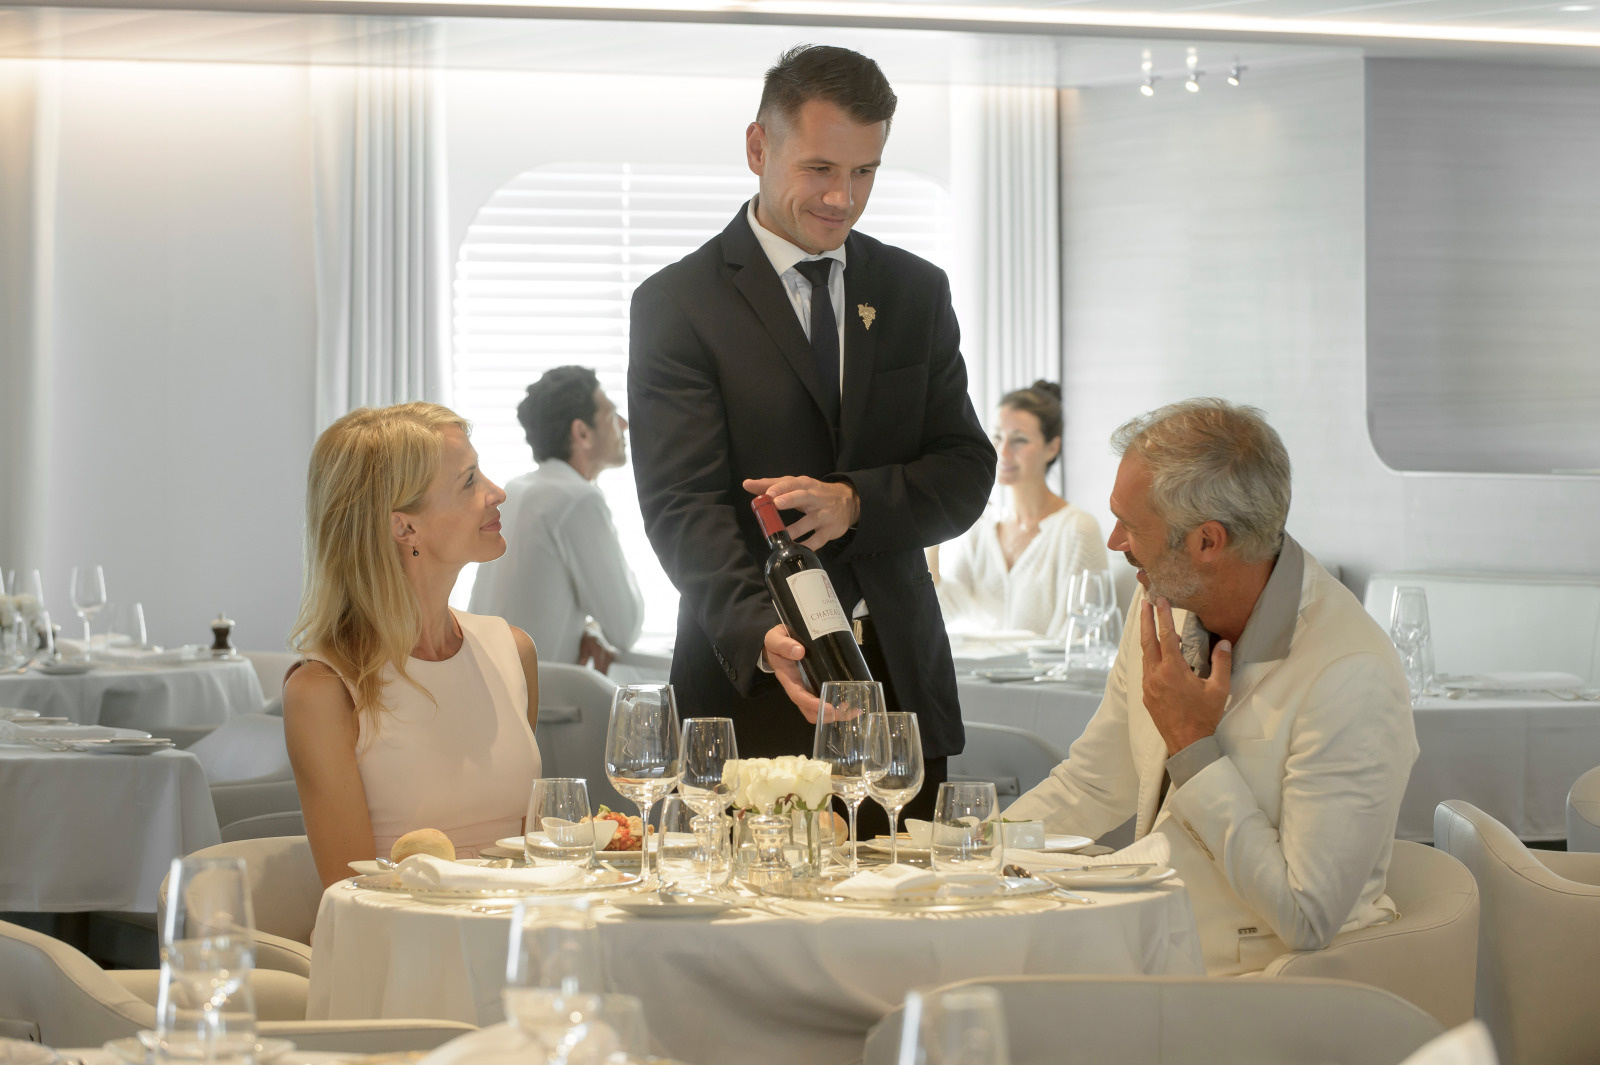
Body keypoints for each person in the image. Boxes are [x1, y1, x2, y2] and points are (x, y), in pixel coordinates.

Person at [627, 44, 994, 828]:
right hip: (752, 695)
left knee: (909, 908)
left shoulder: (915, 291)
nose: (842, 197)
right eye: (821, 168)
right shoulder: (680, 303)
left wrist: (857, 502)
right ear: (758, 147)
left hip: (898, 695)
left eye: (865, 172)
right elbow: (681, 505)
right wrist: (763, 634)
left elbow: (966, 469)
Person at [1005, 398, 1417, 975]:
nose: (1115, 541)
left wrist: (1193, 746)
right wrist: (972, 851)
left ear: (1207, 541)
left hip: (1264, 984)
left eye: (1131, 525)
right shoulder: (1162, 602)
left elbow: (1306, 916)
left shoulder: (1350, 672)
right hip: (1150, 947)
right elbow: (1096, 783)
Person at [283, 402, 541, 887]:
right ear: (404, 527)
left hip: (518, 925)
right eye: (469, 481)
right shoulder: (325, 690)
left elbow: (537, 856)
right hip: (401, 931)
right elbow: (352, 895)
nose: (497, 492)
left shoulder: (512, 651)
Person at [468, 367, 644, 674]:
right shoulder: (577, 500)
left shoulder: (518, 489)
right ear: (582, 433)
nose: (624, 424)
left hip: (484, 684)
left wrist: (585, 627)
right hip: (538, 698)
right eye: (611, 415)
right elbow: (625, 628)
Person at [931, 380, 1107, 642]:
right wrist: (934, 534)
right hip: (980, 669)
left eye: (1019, 440)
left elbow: (1078, 637)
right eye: (997, 437)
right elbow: (943, 611)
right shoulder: (981, 528)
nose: (1003, 451)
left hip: (1046, 671)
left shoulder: (1077, 529)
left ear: (1052, 447)